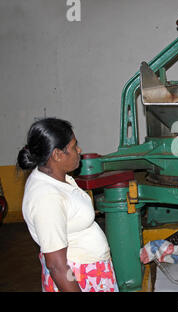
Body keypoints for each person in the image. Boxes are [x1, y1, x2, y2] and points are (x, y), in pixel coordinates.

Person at [17, 117, 119, 292]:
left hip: (89, 273)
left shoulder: (56, 179)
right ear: (57, 155)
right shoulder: (46, 197)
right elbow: (57, 266)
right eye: (73, 147)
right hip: (76, 278)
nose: (79, 149)